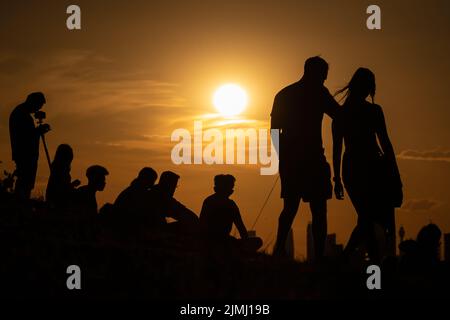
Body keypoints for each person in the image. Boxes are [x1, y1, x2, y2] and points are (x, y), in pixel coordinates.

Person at [270, 56, 340, 260]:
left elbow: (274, 130)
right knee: (318, 210)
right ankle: (317, 256)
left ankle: (280, 249)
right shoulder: (319, 93)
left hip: (293, 159)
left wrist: (281, 157)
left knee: (290, 207)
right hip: (312, 159)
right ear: (316, 73)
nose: (324, 81)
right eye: (323, 76)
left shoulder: (284, 94)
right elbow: (339, 114)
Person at [332, 67, 403, 263]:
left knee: (367, 217)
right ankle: (354, 259)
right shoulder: (372, 110)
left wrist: (337, 178)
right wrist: (395, 174)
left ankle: (358, 260)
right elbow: (386, 144)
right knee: (368, 216)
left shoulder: (342, 114)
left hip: (356, 167)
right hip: (369, 166)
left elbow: (337, 150)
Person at [199, 174, 262, 252]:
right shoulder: (229, 204)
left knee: (257, 241)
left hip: (219, 240)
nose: (232, 189)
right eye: (230, 186)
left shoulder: (209, 201)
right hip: (214, 240)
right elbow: (240, 226)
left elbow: (240, 227)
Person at [9, 92, 50, 200]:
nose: (37, 109)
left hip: (24, 155)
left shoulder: (21, 113)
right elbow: (25, 136)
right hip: (25, 155)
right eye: (38, 106)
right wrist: (39, 131)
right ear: (33, 102)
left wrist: (37, 131)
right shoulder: (22, 115)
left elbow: (27, 134)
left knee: (25, 183)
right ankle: (20, 205)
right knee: (24, 183)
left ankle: (21, 203)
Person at [45, 144, 80, 209]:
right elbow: (61, 189)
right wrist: (73, 184)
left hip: (57, 200)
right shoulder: (59, 171)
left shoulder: (57, 170)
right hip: (57, 202)